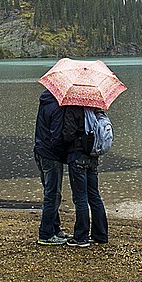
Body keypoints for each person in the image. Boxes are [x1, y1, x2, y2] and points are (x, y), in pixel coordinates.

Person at [61, 104, 109, 246]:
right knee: (94, 195)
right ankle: (100, 235)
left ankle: (81, 237)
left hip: (77, 157)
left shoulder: (73, 109)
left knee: (80, 197)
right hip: (93, 157)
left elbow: (68, 135)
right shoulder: (96, 108)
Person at [33, 89, 69, 245]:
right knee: (53, 194)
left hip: (40, 150)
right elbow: (56, 136)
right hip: (51, 155)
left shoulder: (45, 101)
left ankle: (55, 229)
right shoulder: (58, 107)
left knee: (50, 192)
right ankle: (46, 234)